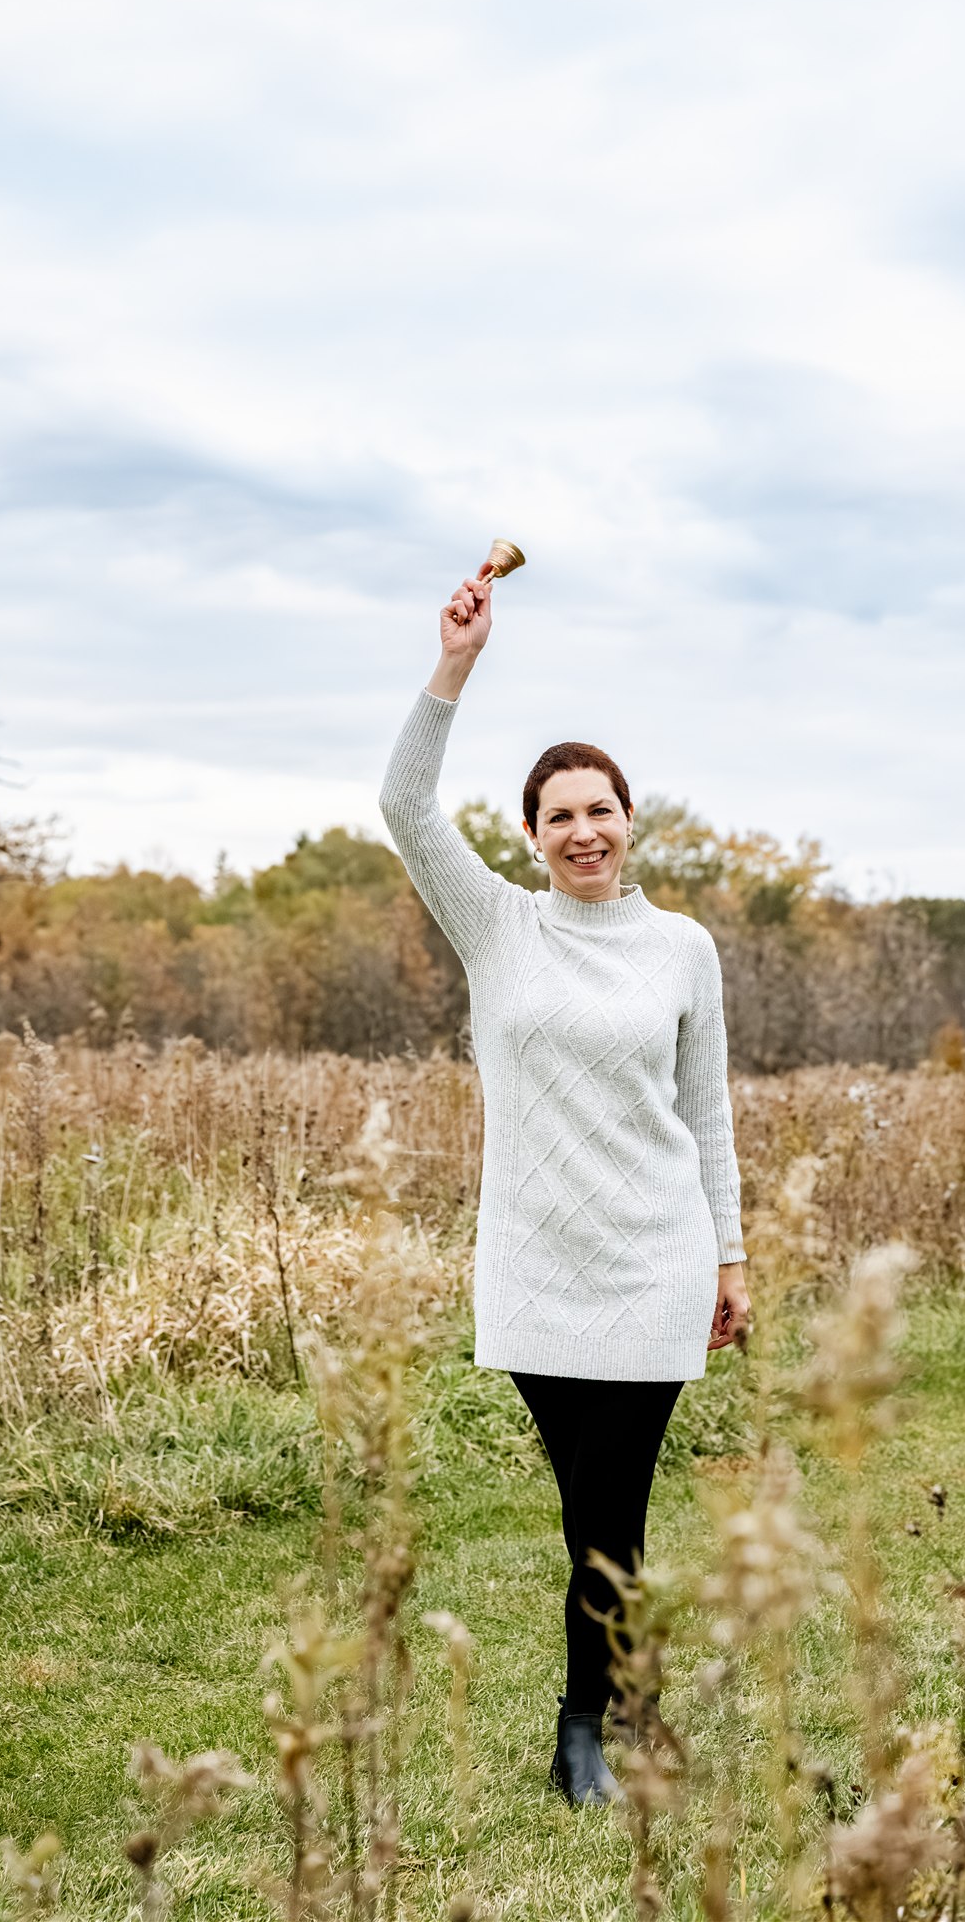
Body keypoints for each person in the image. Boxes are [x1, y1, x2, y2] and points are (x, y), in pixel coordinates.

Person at [378, 559, 752, 1807]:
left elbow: (707, 1113)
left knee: (605, 1500)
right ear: (533, 837)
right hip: (536, 1262)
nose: (584, 830)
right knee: (597, 1502)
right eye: (560, 816)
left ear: (630, 819)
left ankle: (581, 1724)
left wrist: (734, 1255)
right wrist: (455, 665)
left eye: (603, 808)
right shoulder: (498, 927)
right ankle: (632, 1691)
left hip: (657, 1257)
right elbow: (403, 801)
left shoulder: (683, 947)